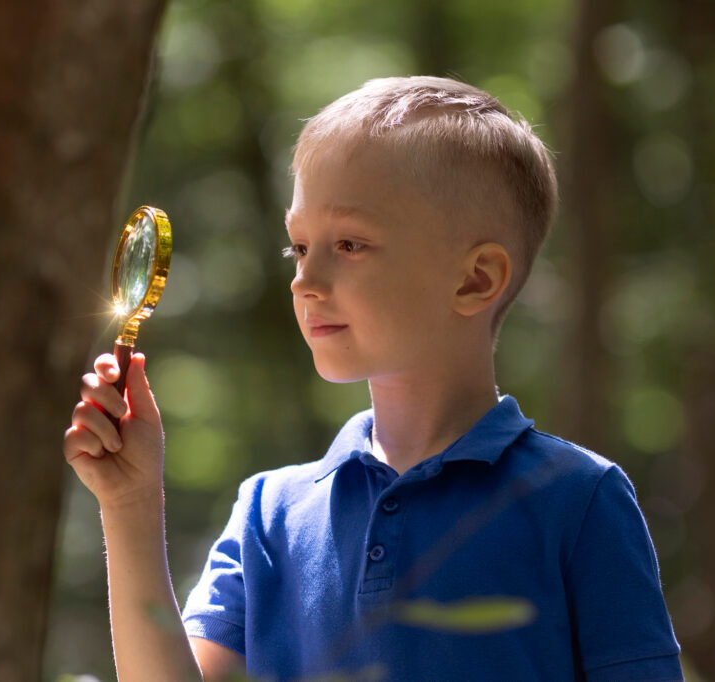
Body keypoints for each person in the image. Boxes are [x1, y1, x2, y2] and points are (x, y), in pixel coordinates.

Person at [62, 76, 682, 681]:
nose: (305, 280)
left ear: (475, 280)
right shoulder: (268, 514)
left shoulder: (577, 499)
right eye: (299, 248)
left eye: (350, 244)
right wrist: (129, 506)